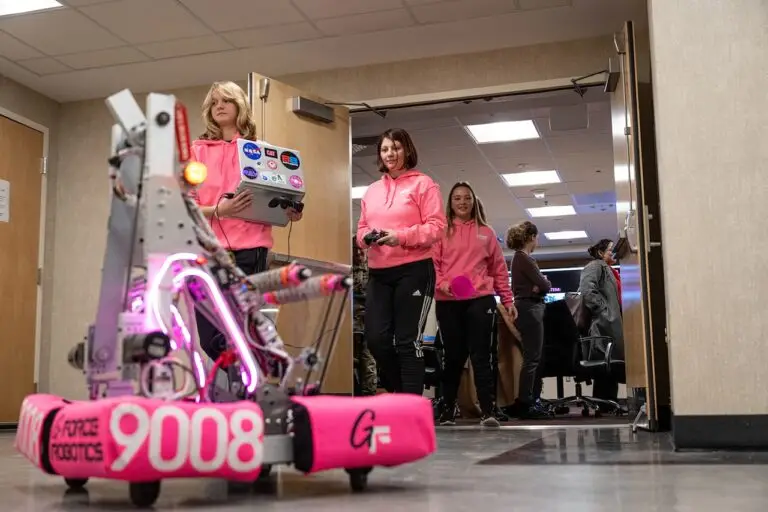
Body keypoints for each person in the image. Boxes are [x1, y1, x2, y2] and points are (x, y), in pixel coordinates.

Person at [191, 81, 302, 362]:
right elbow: (184, 204)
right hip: (209, 252)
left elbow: (276, 195)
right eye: (214, 102)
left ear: (239, 106)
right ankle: (248, 384)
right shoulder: (197, 152)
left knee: (241, 330)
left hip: (251, 251)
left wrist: (288, 210)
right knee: (210, 337)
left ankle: (247, 396)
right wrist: (219, 210)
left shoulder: (259, 150)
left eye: (226, 100)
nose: (219, 106)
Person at [356, 128, 446, 396]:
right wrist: (366, 238)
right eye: (385, 149)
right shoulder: (371, 191)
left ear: (406, 150)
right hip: (379, 272)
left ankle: (410, 407)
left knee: (408, 342)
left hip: (414, 269)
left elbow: (437, 227)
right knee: (376, 339)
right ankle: (404, 397)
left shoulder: (423, 184)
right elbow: (361, 229)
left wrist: (401, 237)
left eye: (395, 148)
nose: (390, 154)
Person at [433, 182, 517, 427]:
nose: (462, 202)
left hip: (480, 299)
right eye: (457, 198)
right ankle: (447, 410)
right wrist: (444, 284)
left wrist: (508, 299)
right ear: (450, 203)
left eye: (466, 198)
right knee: (454, 357)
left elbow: (499, 270)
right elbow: (433, 265)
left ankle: (488, 411)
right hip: (449, 301)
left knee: (482, 356)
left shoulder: (487, 233)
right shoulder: (441, 231)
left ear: (473, 201)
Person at [506, 221, 552, 419]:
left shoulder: (519, 259)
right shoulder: (524, 259)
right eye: (537, 236)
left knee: (531, 357)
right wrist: (542, 283)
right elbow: (545, 285)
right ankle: (526, 402)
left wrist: (539, 285)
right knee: (533, 358)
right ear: (532, 237)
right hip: (530, 309)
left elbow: (539, 286)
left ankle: (527, 400)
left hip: (526, 308)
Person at [579, 239, 624, 401]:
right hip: (603, 323)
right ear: (600, 253)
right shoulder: (595, 266)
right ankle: (604, 403)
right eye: (611, 250)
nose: (614, 253)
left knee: (611, 364)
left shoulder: (611, 270)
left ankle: (608, 403)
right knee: (605, 364)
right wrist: (604, 311)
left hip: (612, 323)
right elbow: (587, 291)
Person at [352, 236, 378, 396]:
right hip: (352, 319)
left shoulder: (372, 267)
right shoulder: (347, 267)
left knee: (369, 358)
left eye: (362, 249)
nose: (360, 252)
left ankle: (369, 393)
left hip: (369, 317)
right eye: (356, 249)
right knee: (353, 358)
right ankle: (354, 392)